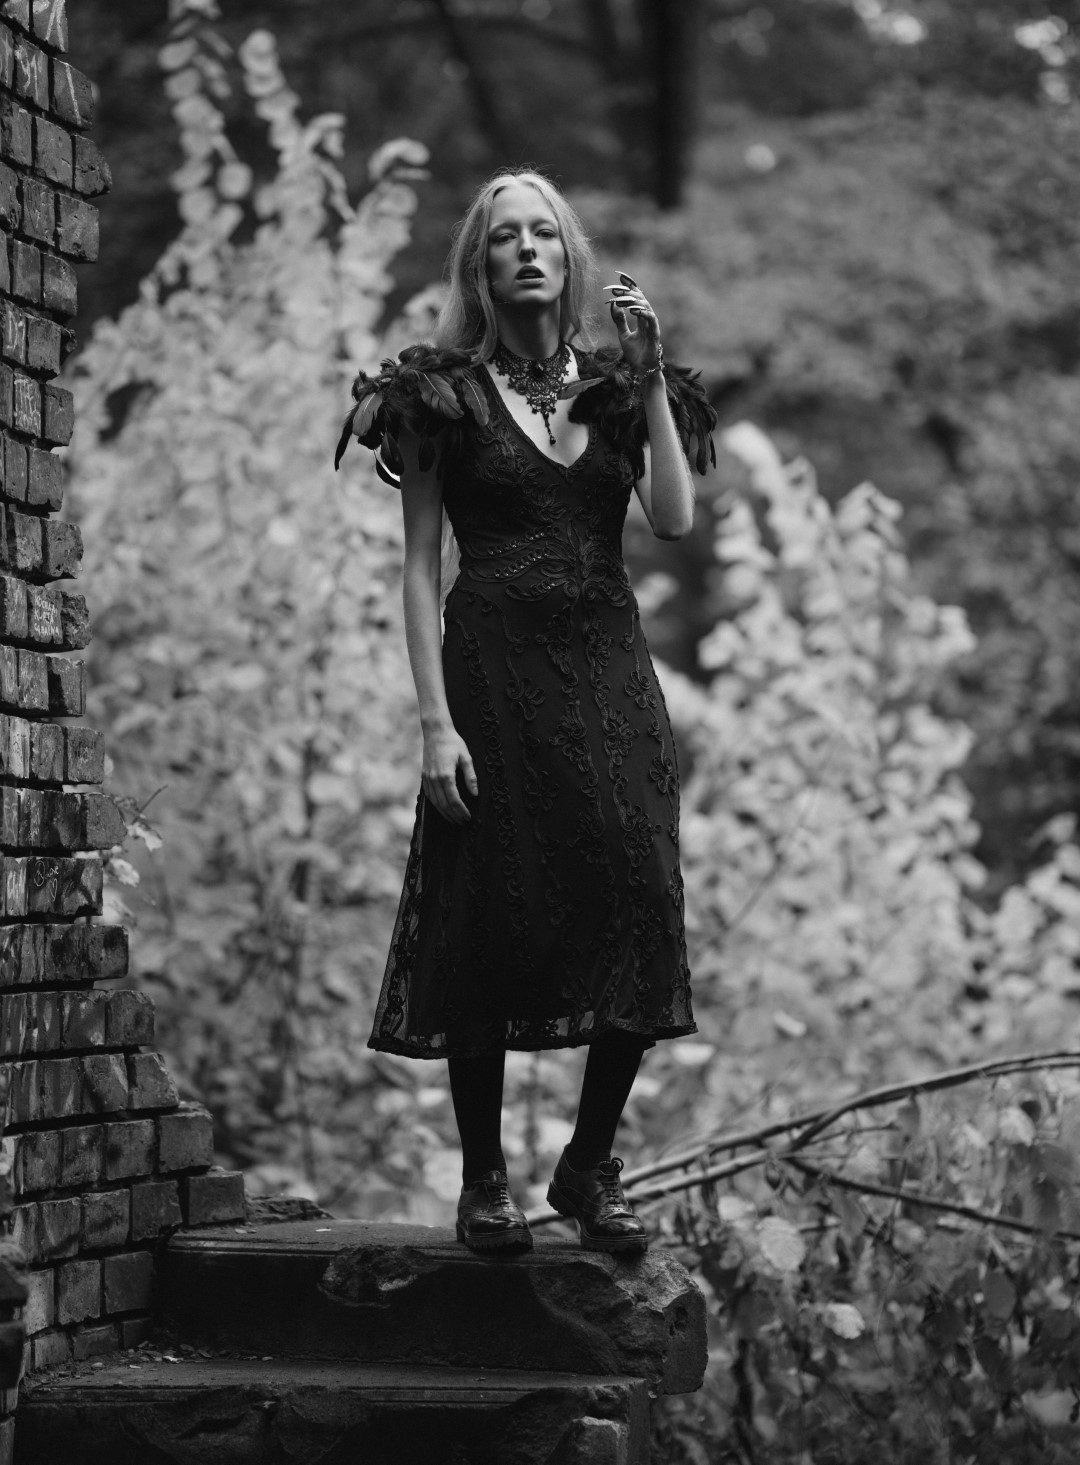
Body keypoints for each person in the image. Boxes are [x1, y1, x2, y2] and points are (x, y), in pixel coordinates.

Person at [336, 169, 716, 1258]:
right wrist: (433, 723)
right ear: (481, 265)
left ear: (570, 255)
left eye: (545, 232)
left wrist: (649, 376)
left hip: (609, 675)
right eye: (506, 236)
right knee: (487, 913)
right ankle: (484, 1180)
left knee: (641, 893)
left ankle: (588, 1165)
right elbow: (419, 567)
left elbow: (674, 519)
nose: (528, 249)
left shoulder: (616, 390)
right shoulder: (438, 395)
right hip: (489, 678)